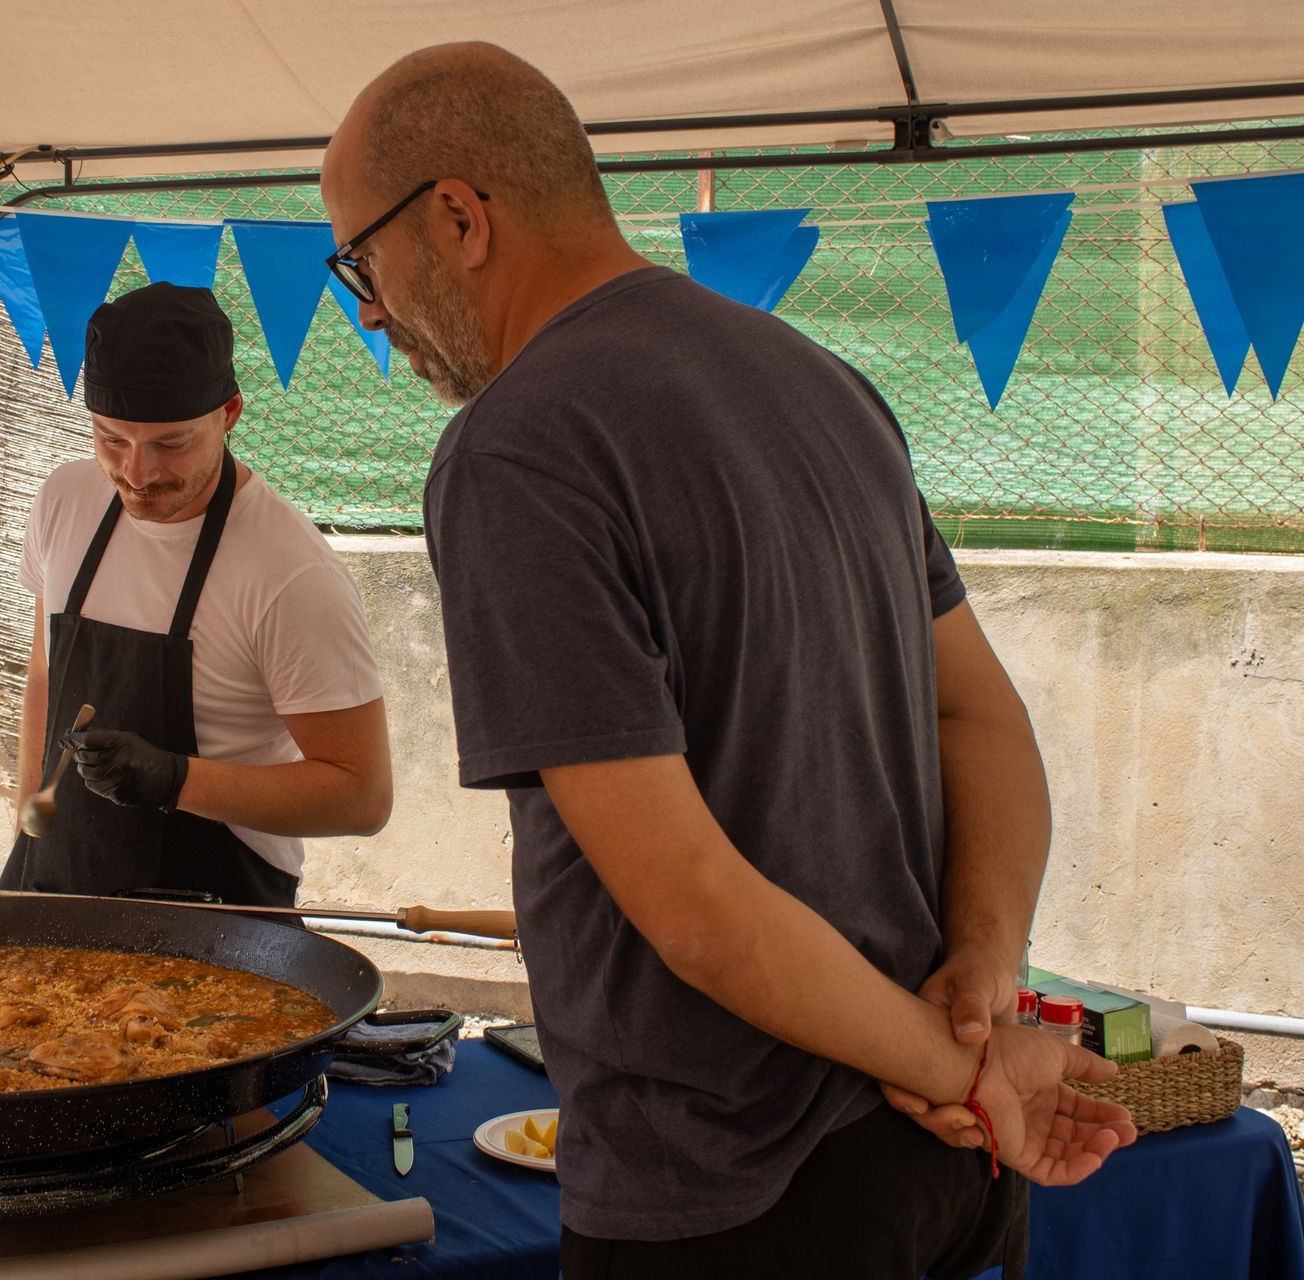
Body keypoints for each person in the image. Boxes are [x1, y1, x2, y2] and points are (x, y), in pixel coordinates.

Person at [321, 43, 1136, 1278]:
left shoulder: (519, 447)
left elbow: (696, 905)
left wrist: (968, 1055)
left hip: (732, 1199)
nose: (372, 312)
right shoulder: (825, 382)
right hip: (939, 1169)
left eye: (362, 263)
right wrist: (982, 978)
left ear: (457, 217)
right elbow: (984, 720)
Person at [0, 282, 392, 907]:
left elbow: (361, 796)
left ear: (229, 413)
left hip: (213, 910)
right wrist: (28, 820)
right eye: (111, 439)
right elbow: (47, 676)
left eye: (170, 444)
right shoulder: (64, 500)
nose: (137, 473)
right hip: (53, 883)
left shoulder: (289, 573)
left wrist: (176, 780)